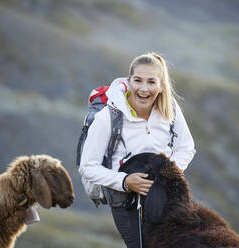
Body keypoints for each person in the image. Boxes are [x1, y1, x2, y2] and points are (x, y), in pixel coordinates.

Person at [79, 52, 195, 247]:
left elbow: (186, 147)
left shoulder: (170, 108)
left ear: (161, 86)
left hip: (164, 194)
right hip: (125, 201)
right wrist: (125, 181)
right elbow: (87, 166)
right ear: (129, 80)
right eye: (138, 80)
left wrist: (167, 174)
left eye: (151, 82)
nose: (143, 88)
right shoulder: (108, 116)